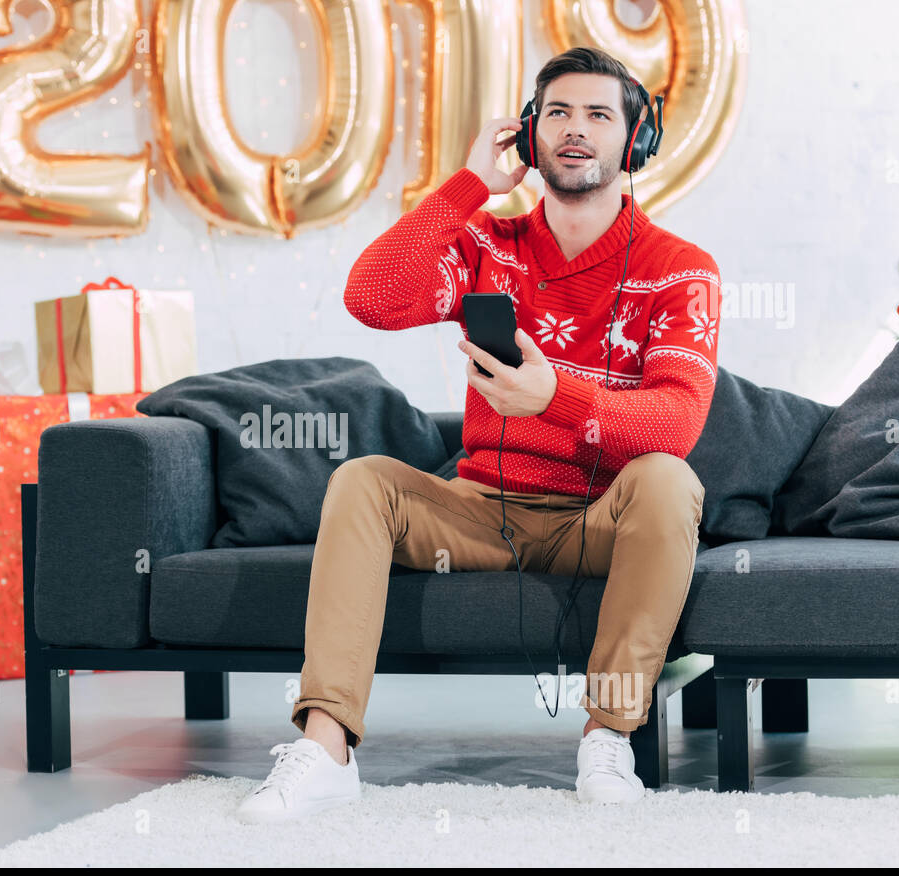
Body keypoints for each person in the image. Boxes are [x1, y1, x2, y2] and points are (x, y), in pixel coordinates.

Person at [237, 46, 719, 824]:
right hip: (480, 507)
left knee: (670, 481)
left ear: (636, 141)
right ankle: (324, 750)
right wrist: (468, 187)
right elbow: (372, 296)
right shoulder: (489, 247)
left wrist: (552, 395)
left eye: (599, 114)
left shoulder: (680, 268)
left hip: (598, 518)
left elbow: (678, 422)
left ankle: (607, 737)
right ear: (529, 137)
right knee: (363, 480)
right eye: (557, 112)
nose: (575, 129)